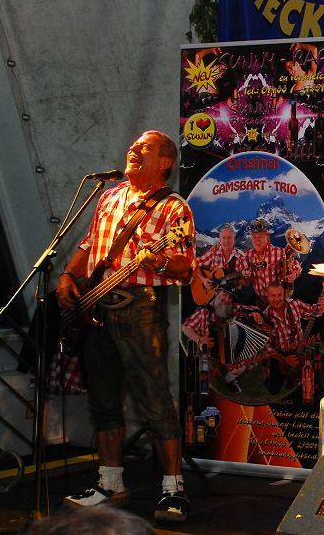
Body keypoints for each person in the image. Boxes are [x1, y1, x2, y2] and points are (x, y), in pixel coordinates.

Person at [56, 130, 196, 523]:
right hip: (97, 305)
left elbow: (185, 266)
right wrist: (68, 275)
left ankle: (173, 490)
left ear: (165, 162)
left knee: (154, 398)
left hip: (139, 308)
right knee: (103, 398)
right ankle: (110, 482)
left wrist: (159, 262)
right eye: (134, 147)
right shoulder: (109, 196)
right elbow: (88, 246)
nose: (134, 151)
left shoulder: (174, 208)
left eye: (145, 149)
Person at [241, 218, 301, 301]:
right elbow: (246, 284)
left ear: (267, 236)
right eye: (254, 237)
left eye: (260, 236)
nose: (257, 240)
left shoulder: (279, 252)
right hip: (260, 301)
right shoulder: (247, 255)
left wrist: (294, 274)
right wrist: (245, 277)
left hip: (279, 300)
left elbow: (296, 265)